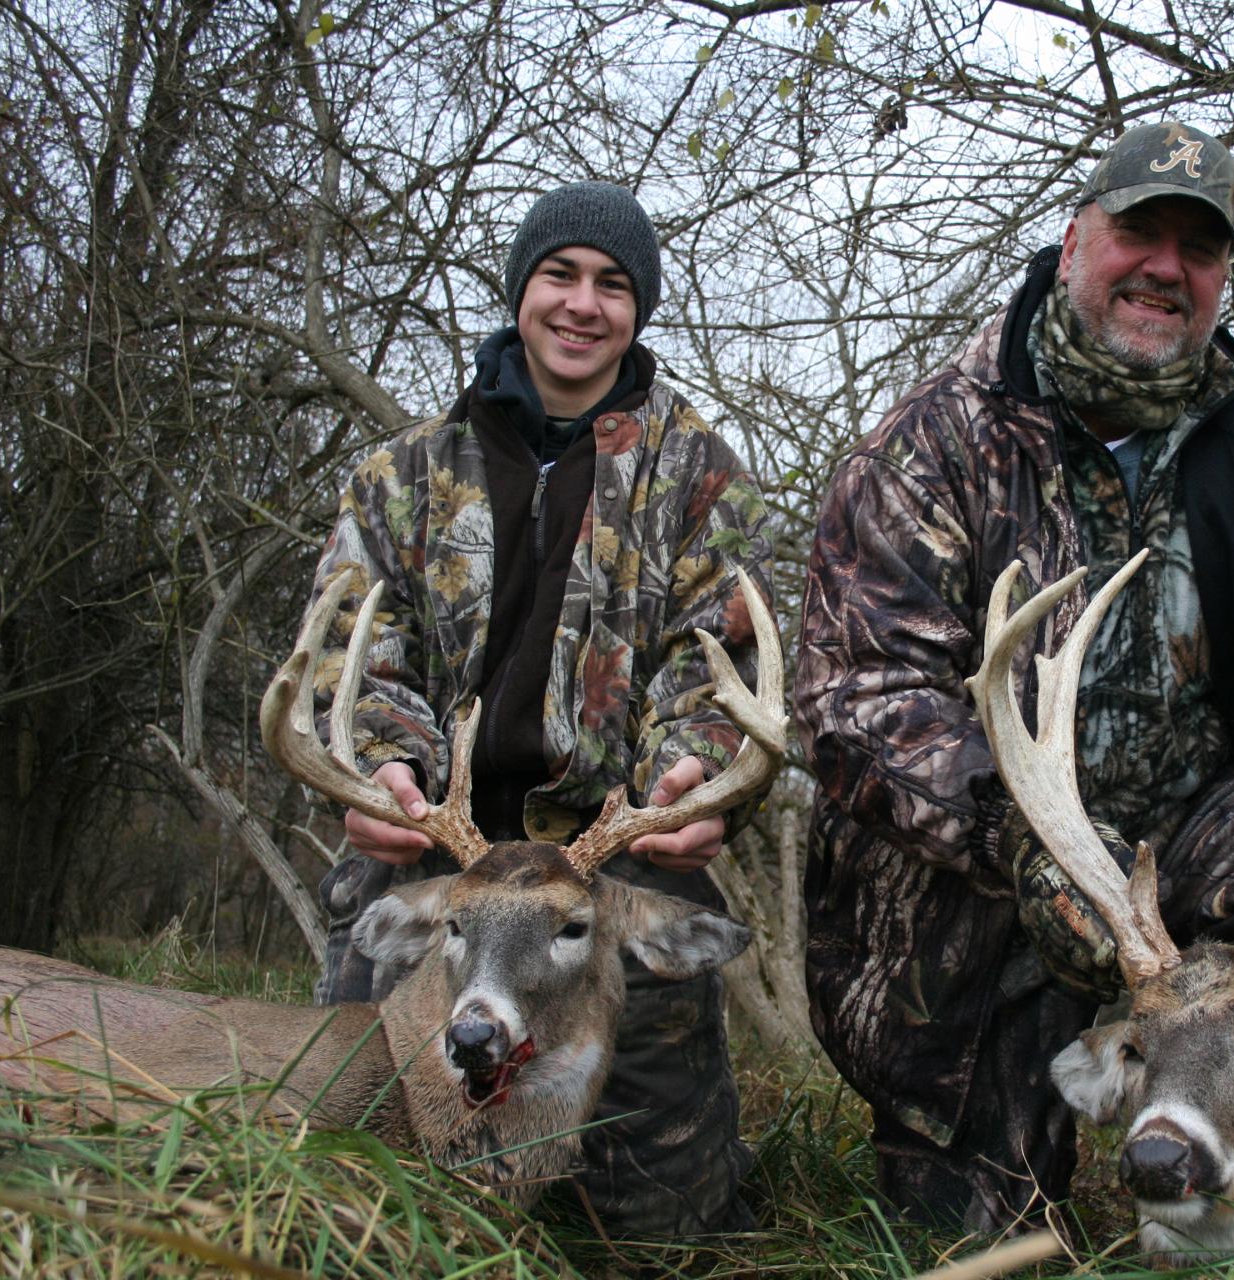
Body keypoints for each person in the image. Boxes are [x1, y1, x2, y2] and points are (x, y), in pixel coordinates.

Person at [794, 122, 1234, 1232]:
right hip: (992, 877)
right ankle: (990, 1141)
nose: (1165, 268)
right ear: (1073, 245)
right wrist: (1012, 832)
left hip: (1200, 854)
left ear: (1225, 278)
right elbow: (859, 693)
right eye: (1140, 234)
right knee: (982, 1238)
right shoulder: (937, 440)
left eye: (1199, 249)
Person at [301, 181, 773, 1235]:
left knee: (659, 1227)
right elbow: (353, 651)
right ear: (521, 289)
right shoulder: (402, 473)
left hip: (613, 855)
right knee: (361, 1180)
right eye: (560, 274)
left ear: (638, 310)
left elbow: (718, 659)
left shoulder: (699, 474)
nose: (583, 304)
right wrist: (383, 766)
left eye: (613, 284)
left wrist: (693, 773)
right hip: (437, 844)